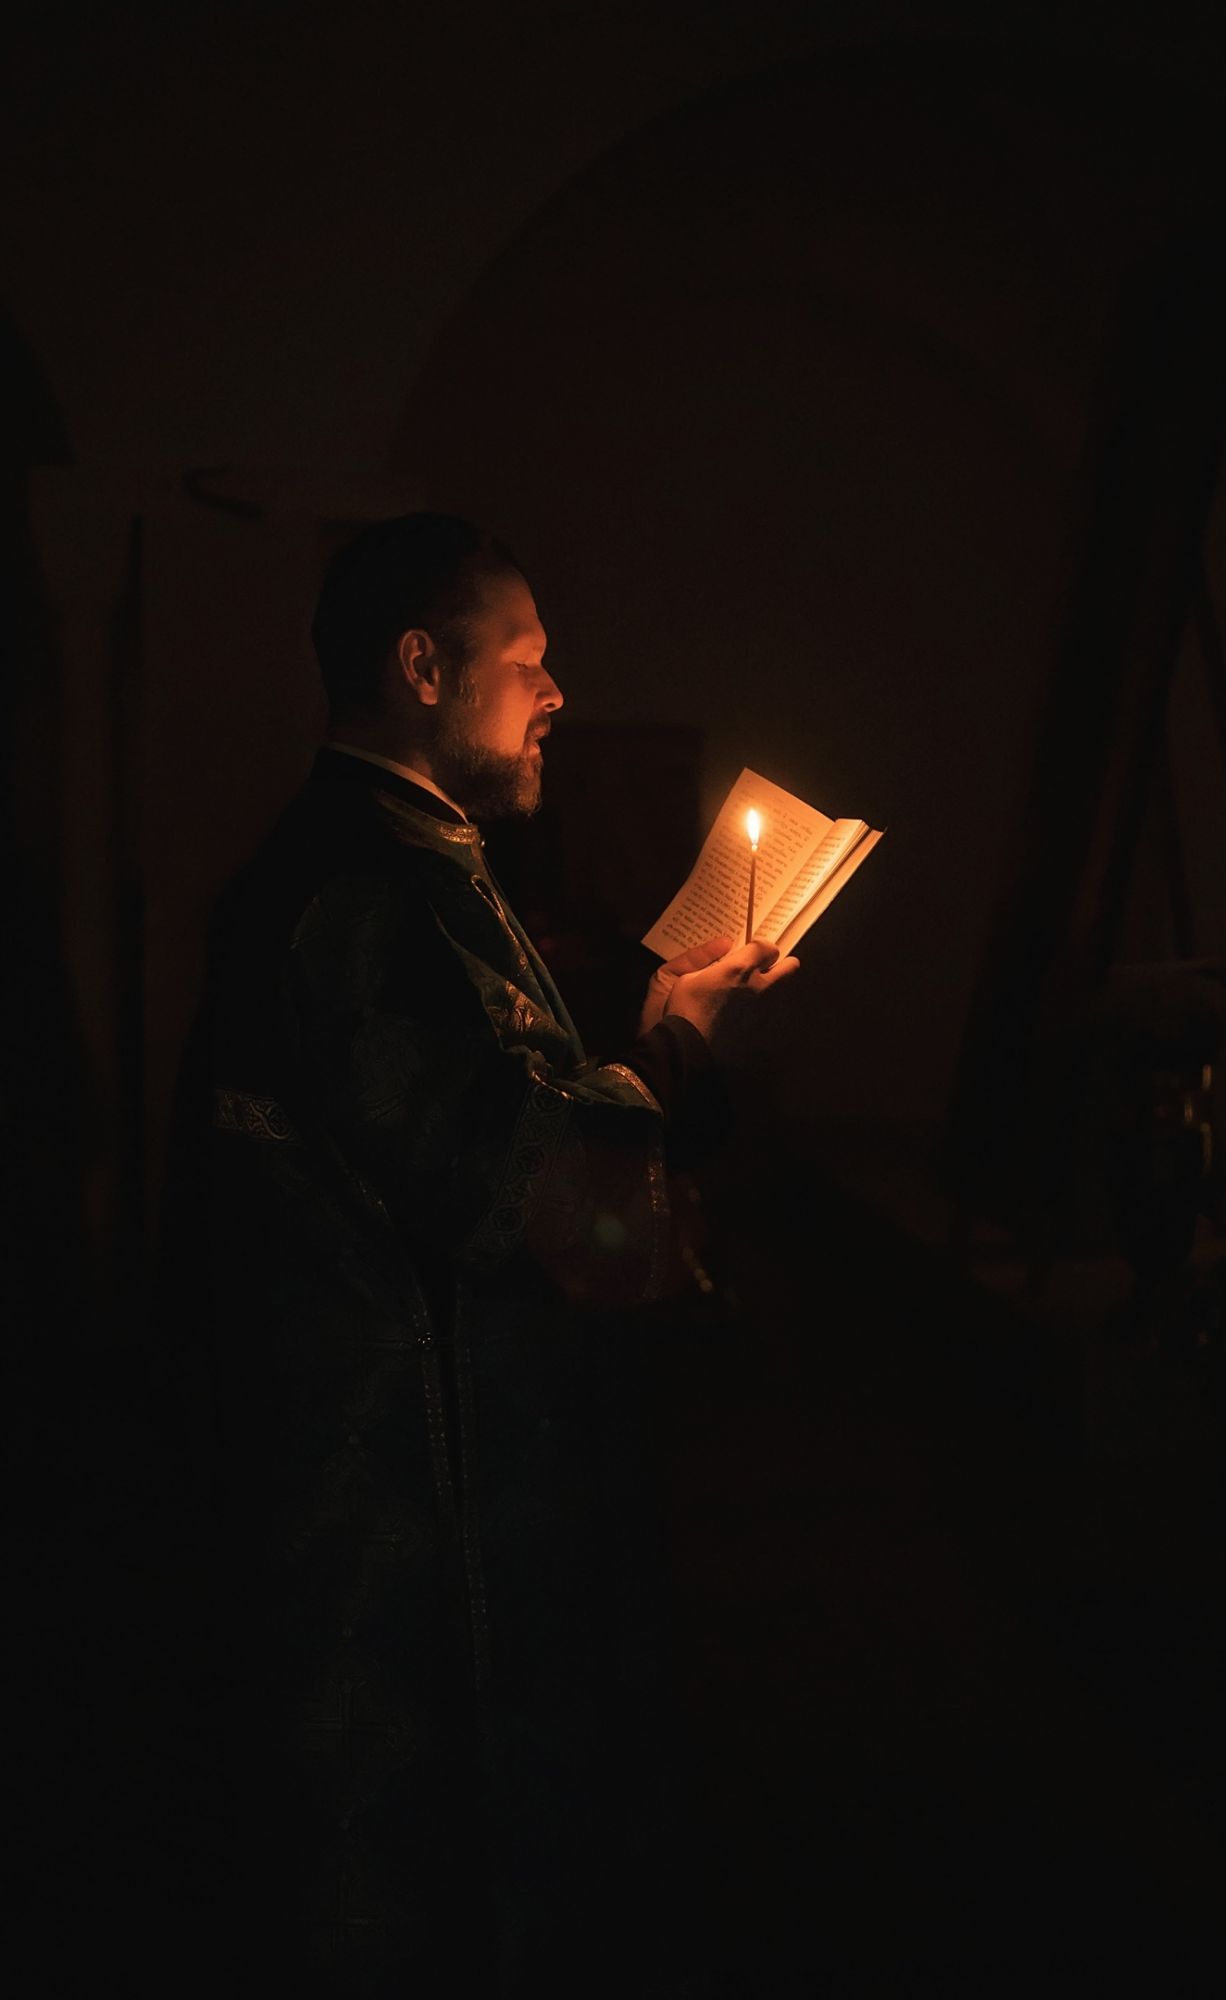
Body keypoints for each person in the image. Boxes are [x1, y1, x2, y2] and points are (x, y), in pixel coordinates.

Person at [155, 513, 797, 1999]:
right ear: (422, 666)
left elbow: (474, 1098)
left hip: (389, 1462)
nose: (555, 693)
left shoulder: (396, 855)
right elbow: (518, 1184)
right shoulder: (368, 885)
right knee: (406, 1872)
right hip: (389, 1494)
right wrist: (683, 1056)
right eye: (527, 660)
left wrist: (648, 1034)